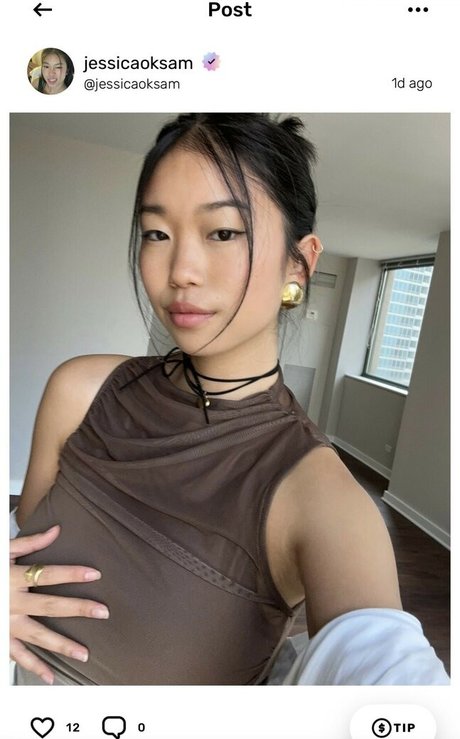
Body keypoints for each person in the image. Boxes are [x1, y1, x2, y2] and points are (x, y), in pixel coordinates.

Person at [10, 114, 449, 686]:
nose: (180, 271)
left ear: (299, 262)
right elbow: (23, 548)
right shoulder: (80, 391)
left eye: (222, 233)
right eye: (156, 234)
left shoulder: (320, 497)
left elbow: (384, 675)